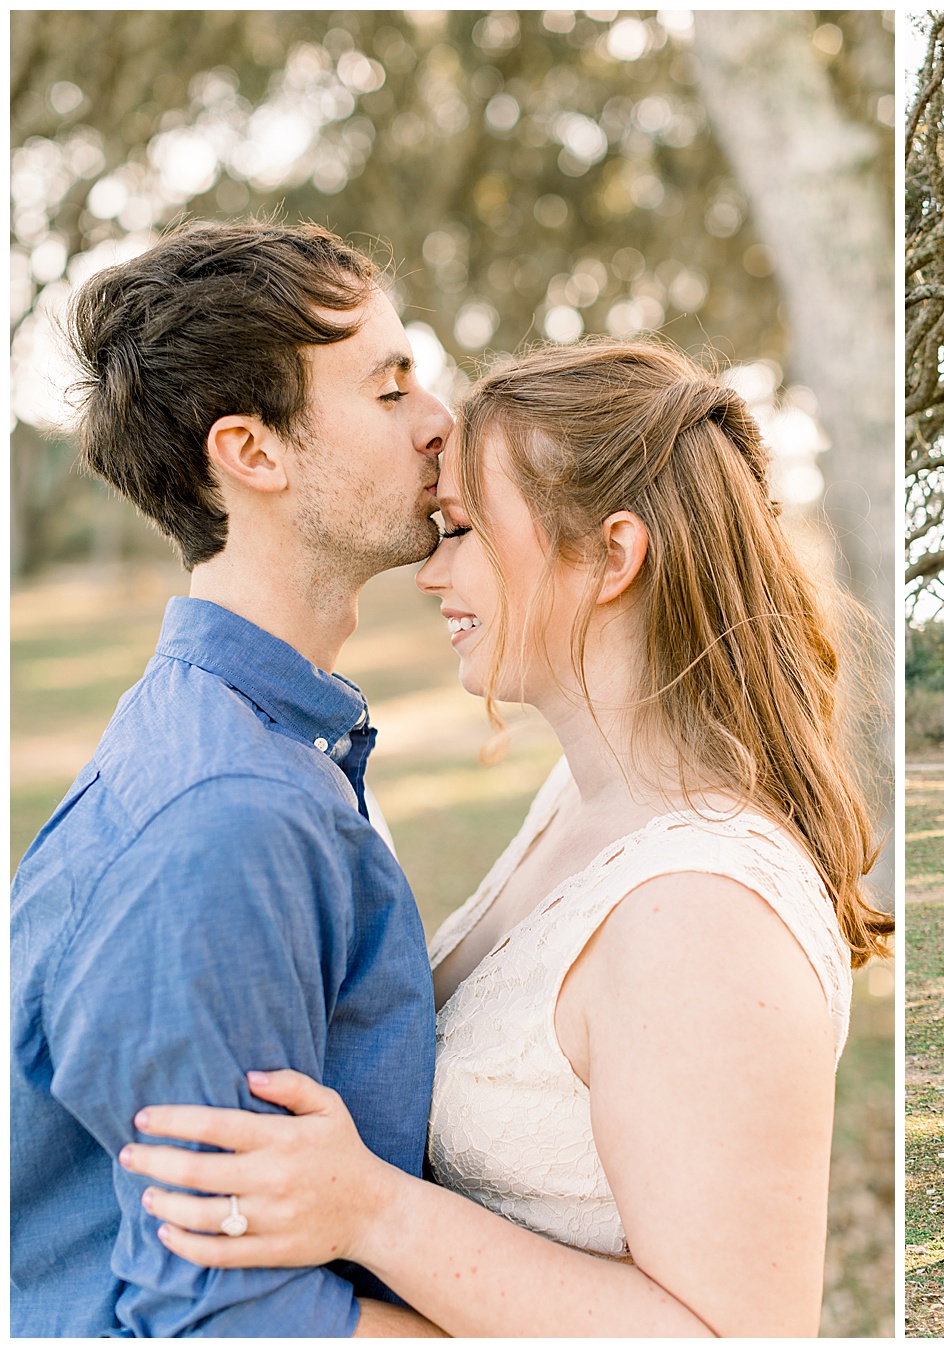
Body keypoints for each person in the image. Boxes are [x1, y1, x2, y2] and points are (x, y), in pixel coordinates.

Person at [117, 337, 894, 1335]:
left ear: (613, 555)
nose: (431, 571)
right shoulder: (583, 801)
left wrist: (370, 1208)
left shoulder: (703, 914)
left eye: (465, 530)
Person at [12, 221, 452, 1335]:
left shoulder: (278, 740)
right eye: (391, 389)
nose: (441, 424)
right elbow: (231, 1319)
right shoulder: (227, 815)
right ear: (255, 453)